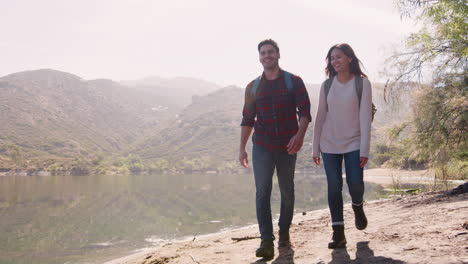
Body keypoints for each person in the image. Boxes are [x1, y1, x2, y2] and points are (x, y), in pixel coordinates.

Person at [239, 39, 311, 259]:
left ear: (278, 54)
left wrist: (299, 136)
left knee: (287, 190)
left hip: (287, 146)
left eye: (270, 52)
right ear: (259, 57)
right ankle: (266, 241)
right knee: (263, 192)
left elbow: (305, 112)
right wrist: (241, 148)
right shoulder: (253, 87)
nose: (267, 56)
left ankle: (284, 233)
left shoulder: (294, 82)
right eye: (263, 53)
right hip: (261, 146)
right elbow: (248, 119)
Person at [312, 43, 372, 249]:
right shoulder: (326, 85)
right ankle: (338, 233)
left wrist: (364, 149)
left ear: (349, 58)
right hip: (329, 143)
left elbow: (365, 118)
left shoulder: (362, 83)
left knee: (355, 184)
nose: (335, 61)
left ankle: (357, 205)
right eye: (331, 58)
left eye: (338, 57)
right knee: (334, 186)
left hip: (354, 141)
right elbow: (319, 117)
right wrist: (315, 147)